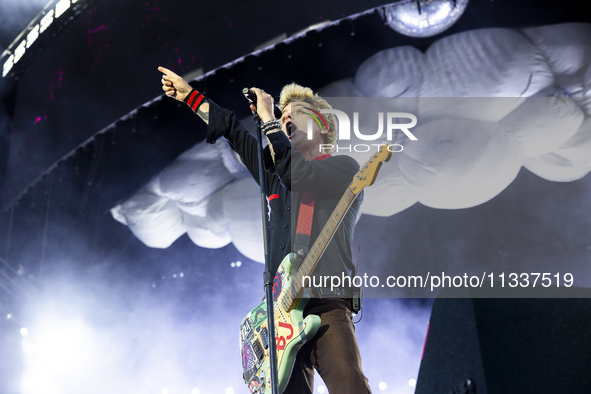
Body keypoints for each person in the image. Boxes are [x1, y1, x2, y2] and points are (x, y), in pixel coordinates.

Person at [158, 66, 372, 394]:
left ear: (322, 125)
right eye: (282, 115)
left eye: (296, 114)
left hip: (326, 302)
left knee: (350, 386)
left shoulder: (343, 168)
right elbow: (232, 131)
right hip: (280, 316)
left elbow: (298, 175)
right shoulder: (275, 180)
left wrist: (271, 120)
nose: (286, 119)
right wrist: (190, 96)